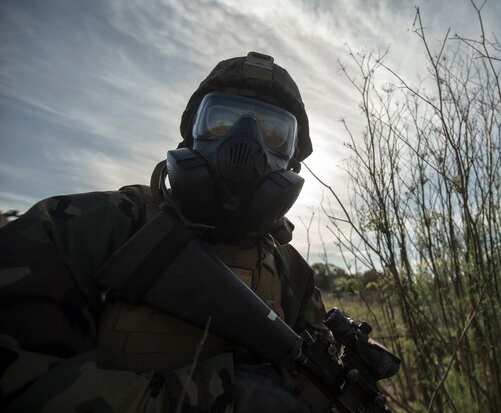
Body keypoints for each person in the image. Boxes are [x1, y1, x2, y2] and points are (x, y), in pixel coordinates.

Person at [0, 52, 326, 412]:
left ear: (292, 159)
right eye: (221, 120)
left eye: (275, 133)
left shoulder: (294, 275)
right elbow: (18, 379)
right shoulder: (82, 226)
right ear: (191, 138)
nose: (245, 144)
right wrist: (220, 399)